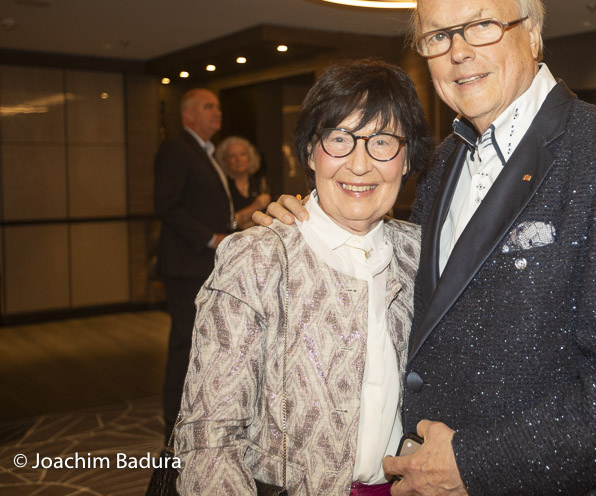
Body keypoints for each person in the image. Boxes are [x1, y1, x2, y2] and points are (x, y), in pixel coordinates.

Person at [260, 0, 596, 495]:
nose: (459, 52)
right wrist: (308, 223)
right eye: (438, 36)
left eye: (482, 25)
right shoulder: (443, 162)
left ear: (532, 33)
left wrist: (474, 464)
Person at [174, 59, 434, 495]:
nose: (360, 165)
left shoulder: (423, 254)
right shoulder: (259, 259)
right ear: (312, 151)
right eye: (339, 139)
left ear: (406, 159)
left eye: (383, 142)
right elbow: (208, 440)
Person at [153, 87, 234, 440]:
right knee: (185, 344)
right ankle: (173, 426)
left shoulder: (206, 152)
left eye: (218, 106)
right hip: (188, 265)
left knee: (203, 343)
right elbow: (166, 205)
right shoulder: (177, 148)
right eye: (208, 107)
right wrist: (210, 238)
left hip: (204, 264)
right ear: (188, 115)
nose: (217, 112)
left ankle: (198, 415)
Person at [215, 135, 272, 229]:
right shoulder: (222, 187)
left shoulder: (260, 183)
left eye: (242, 154)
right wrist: (254, 207)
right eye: (232, 156)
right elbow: (232, 225)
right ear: (224, 161)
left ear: (250, 157)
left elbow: (271, 217)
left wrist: (245, 221)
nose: (238, 159)